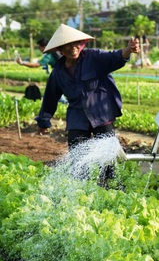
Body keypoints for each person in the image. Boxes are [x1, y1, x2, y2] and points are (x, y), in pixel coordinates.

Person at [35, 24, 139, 183]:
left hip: (101, 112)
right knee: (77, 154)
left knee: (107, 157)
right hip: (77, 116)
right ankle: (80, 187)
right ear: (61, 49)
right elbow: (50, 96)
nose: (73, 48)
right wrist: (44, 120)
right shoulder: (58, 71)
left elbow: (114, 57)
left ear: (81, 44)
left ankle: (107, 187)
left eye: (75, 43)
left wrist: (128, 49)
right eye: (67, 45)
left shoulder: (93, 57)